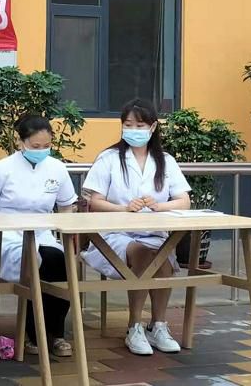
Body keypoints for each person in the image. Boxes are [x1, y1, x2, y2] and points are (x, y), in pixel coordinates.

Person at [81, 98, 190, 356]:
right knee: (142, 254)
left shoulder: (165, 161)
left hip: (154, 232)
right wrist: (123, 208)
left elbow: (184, 200)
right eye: (128, 124)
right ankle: (134, 327)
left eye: (139, 125)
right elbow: (95, 201)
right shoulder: (109, 158)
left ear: (152, 127)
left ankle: (158, 326)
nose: (133, 130)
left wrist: (158, 206)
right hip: (114, 234)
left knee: (162, 257)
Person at [0, 115, 77, 358]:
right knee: (35, 264)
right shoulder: (3, 168)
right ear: (21, 142)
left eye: (46, 146)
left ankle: (57, 333)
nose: (41, 151)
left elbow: (66, 207)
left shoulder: (57, 168)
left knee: (61, 264)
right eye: (35, 146)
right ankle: (33, 333)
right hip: (7, 234)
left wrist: (67, 238)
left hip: (43, 232)